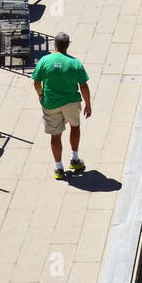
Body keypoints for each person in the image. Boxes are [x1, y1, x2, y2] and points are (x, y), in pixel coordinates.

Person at [31, 31, 91, 180]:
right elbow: (83, 86)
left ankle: (58, 168)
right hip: (71, 102)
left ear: (55, 44)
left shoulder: (44, 61)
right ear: (67, 45)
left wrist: (40, 95)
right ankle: (75, 159)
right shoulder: (75, 63)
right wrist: (88, 105)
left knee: (55, 135)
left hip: (50, 103)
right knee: (75, 127)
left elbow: (36, 82)